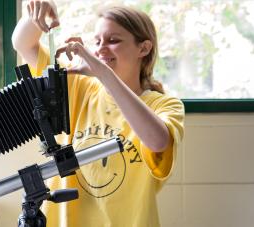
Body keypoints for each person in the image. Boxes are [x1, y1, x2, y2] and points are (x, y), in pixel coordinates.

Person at [12, 0, 184, 226]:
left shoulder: (165, 105)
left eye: (113, 41)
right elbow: (23, 44)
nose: (101, 48)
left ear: (144, 48)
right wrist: (37, 13)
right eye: (97, 41)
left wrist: (104, 74)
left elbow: (158, 141)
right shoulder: (79, 87)